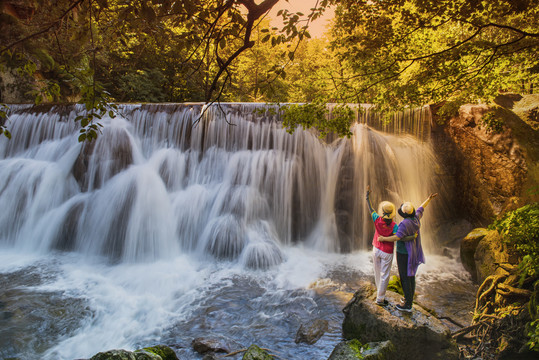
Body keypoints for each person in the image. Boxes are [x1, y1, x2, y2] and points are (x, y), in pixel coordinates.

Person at [378, 193, 438, 312]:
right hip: (414, 250)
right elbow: (422, 207)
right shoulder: (415, 218)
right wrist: (428, 199)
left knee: (405, 277)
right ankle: (407, 298)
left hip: (404, 253)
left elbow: (397, 237)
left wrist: (383, 239)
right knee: (411, 275)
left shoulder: (404, 224)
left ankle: (407, 305)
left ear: (404, 214)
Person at [366, 186, 415, 306]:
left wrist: (367, 196)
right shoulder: (394, 226)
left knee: (377, 273)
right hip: (387, 252)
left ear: (382, 213)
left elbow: (371, 208)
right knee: (385, 275)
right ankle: (380, 299)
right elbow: (400, 237)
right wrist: (412, 237)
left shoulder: (377, 219)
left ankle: (379, 294)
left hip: (375, 248)